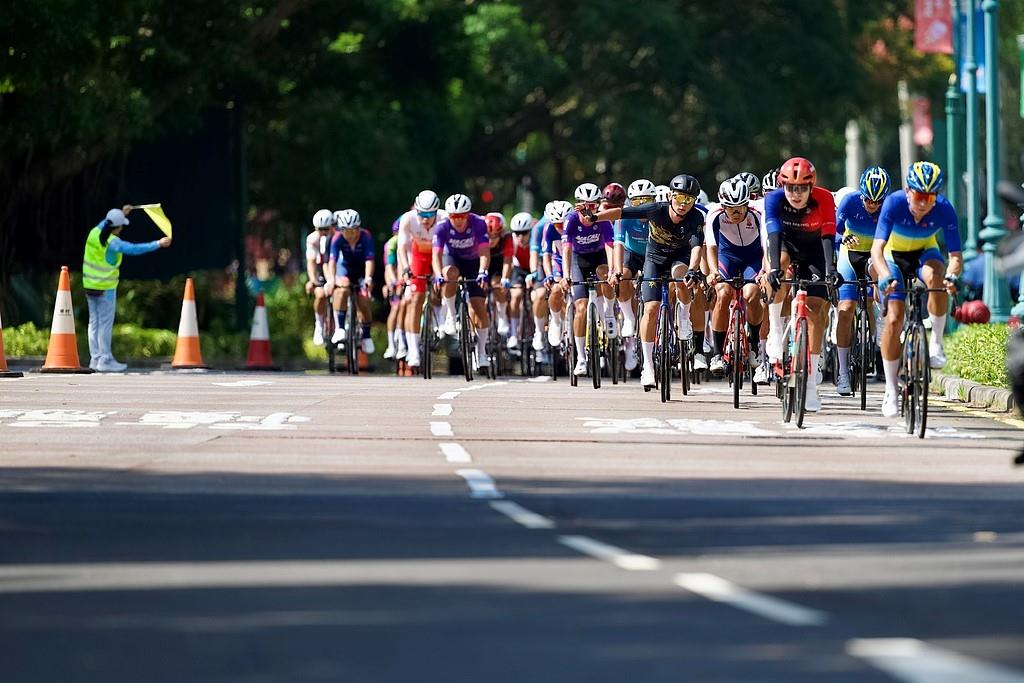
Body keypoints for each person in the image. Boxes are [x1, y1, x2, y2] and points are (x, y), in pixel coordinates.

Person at [592, 174, 706, 389]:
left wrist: (693, 269)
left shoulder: (696, 217)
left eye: (688, 200)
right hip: (654, 259)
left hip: (679, 258)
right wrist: (594, 217)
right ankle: (648, 367)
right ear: (670, 196)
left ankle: (684, 317)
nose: (683, 204)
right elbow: (621, 212)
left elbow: (697, 246)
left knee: (682, 277)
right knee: (651, 308)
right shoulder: (656, 209)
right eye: (679, 198)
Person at [872, 161, 962, 418]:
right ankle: (891, 389)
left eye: (930, 197)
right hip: (894, 256)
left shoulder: (944, 209)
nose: (923, 203)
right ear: (908, 191)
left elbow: (955, 256)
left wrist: (952, 276)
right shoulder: (893, 203)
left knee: (937, 277)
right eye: (919, 196)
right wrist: (884, 276)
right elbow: (877, 250)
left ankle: (936, 344)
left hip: (924, 252)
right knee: (894, 318)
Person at [764, 157, 840, 413]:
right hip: (786, 245)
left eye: (801, 189)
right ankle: (776, 331)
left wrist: (831, 271)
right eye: (790, 188)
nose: (795, 194)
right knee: (777, 267)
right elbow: (774, 234)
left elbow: (828, 235)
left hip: (815, 250)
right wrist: (774, 269)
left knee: (816, 311)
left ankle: (809, 384)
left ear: (811, 187)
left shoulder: (824, 199)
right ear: (782, 186)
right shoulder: (773, 199)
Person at [82, 205, 172, 372]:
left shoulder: (94, 233)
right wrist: (158, 243)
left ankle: (95, 359)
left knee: (93, 323)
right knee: (105, 325)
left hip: (89, 286)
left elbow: (107, 222)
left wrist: (121, 214)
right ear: (117, 227)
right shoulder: (113, 242)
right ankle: (105, 359)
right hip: (105, 288)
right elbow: (134, 249)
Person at [832, 166, 890, 395]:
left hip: (875, 256)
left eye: (877, 201)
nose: (872, 205)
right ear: (861, 194)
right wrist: (843, 238)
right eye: (868, 199)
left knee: (876, 288)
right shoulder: (849, 201)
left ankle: (880, 324)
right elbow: (833, 232)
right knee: (846, 308)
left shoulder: (889, 207)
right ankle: (843, 372)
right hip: (850, 255)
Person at [705, 177, 766, 380]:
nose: (736, 212)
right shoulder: (714, 214)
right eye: (730, 208)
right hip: (727, 256)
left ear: (747, 203)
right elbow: (711, 247)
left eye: (740, 207)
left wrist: (765, 271)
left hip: (753, 257)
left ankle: (754, 344)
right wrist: (713, 272)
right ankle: (717, 354)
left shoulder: (758, 214)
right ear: (723, 206)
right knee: (723, 293)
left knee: (751, 293)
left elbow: (766, 248)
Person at [432, 193, 492, 371]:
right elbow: (436, 254)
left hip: (474, 262)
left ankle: (482, 353)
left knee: (479, 306)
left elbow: (484, 251)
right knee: (449, 274)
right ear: (448, 215)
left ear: (468, 214)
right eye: (453, 216)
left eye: (461, 216)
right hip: (453, 259)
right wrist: (438, 274)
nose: (457, 220)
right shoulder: (442, 226)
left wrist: (483, 271)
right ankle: (451, 314)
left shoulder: (478, 223)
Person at [562, 183, 616, 376]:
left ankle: (609, 312)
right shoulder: (570, 220)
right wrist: (566, 275)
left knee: (604, 272)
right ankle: (581, 358)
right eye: (584, 206)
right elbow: (566, 249)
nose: (588, 210)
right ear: (577, 206)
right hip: (579, 260)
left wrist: (613, 271)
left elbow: (610, 246)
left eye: (592, 206)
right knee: (581, 308)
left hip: (599, 257)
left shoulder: (603, 219)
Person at [396, 190, 446, 372]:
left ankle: (442, 318)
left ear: (436, 211)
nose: (425, 219)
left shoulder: (444, 218)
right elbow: (402, 247)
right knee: (415, 300)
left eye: (430, 214)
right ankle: (414, 350)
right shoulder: (408, 219)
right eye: (422, 214)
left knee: (443, 285)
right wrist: (405, 268)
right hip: (419, 257)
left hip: (440, 254)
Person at [614, 178, 657, 372]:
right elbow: (618, 245)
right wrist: (616, 270)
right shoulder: (624, 216)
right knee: (622, 276)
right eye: (637, 202)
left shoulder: (658, 215)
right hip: (631, 254)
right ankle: (629, 317)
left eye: (646, 201)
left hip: (652, 255)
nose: (641, 206)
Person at [327, 209, 376, 355]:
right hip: (344, 269)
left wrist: (368, 278)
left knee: (363, 301)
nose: (350, 235)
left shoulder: (366, 236)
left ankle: (366, 335)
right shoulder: (337, 238)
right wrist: (332, 279)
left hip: (361, 271)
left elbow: (369, 260)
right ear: (341, 230)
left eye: (353, 231)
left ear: (358, 228)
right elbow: (332, 261)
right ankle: (340, 328)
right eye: (346, 231)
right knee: (341, 290)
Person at [305, 209, 335, 346]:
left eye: (326, 229)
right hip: (320, 268)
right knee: (321, 294)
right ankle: (319, 323)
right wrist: (313, 280)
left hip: (334, 266)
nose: (323, 233)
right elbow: (311, 262)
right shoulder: (312, 239)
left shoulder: (337, 237)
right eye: (320, 229)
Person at [507, 211, 535, 350]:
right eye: (517, 233)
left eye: (524, 233)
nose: (520, 237)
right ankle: (513, 333)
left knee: (536, 297)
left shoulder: (536, 237)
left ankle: (538, 329)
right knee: (516, 295)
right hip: (519, 269)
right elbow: (508, 261)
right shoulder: (512, 241)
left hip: (535, 268)